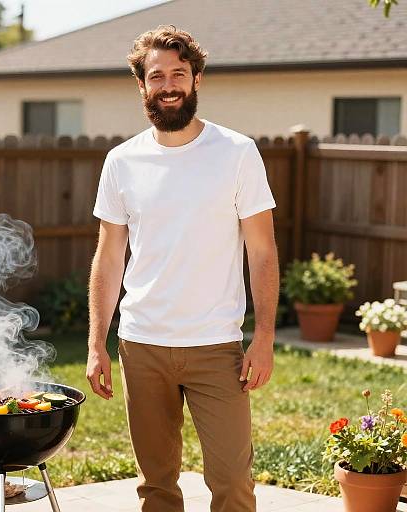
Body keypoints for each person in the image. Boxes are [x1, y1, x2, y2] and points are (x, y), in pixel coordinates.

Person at [86, 24, 279, 512]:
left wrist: (264, 337)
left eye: (179, 73)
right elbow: (109, 255)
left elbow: (262, 252)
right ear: (142, 86)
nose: (168, 84)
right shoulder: (122, 161)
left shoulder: (237, 153)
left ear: (197, 80)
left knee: (233, 485)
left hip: (216, 347)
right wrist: (96, 343)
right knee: (157, 488)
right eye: (157, 76)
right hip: (142, 345)